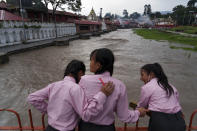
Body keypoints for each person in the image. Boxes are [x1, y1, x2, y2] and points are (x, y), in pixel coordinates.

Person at [27, 60, 114, 131]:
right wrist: (102, 94)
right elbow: (86, 115)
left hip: (50, 128)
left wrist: (49, 110)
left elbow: (32, 98)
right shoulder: (76, 88)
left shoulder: (54, 85)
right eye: (83, 75)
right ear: (80, 73)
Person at [78, 48, 147, 131]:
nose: (90, 63)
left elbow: (79, 107)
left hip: (85, 127)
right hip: (107, 128)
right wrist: (138, 112)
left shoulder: (84, 80)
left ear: (98, 65)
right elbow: (124, 116)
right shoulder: (119, 85)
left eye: (91, 60)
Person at [137, 63, 186, 131]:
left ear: (151, 74)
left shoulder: (147, 87)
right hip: (180, 122)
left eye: (142, 75)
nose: (141, 78)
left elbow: (141, 106)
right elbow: (176, 105)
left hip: (160, 124)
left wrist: (137, 110)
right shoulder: (171, 86)